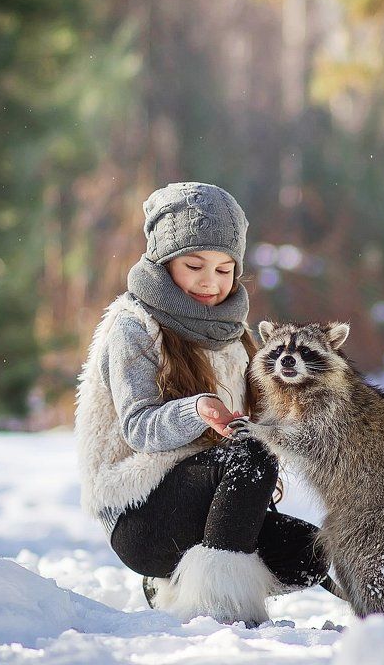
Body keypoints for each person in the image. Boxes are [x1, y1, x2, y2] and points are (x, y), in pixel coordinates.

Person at [75, 182, 329, 626]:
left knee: (315, 554)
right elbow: (139, 426)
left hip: (208, 500)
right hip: (141, 512)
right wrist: (197, 410)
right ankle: (219, 609)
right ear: (163, 260)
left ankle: (180, 582)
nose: (211, 282)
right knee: (249, 452)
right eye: (195, 265)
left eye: (225, 268)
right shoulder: (133, 326)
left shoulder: (234, 334)